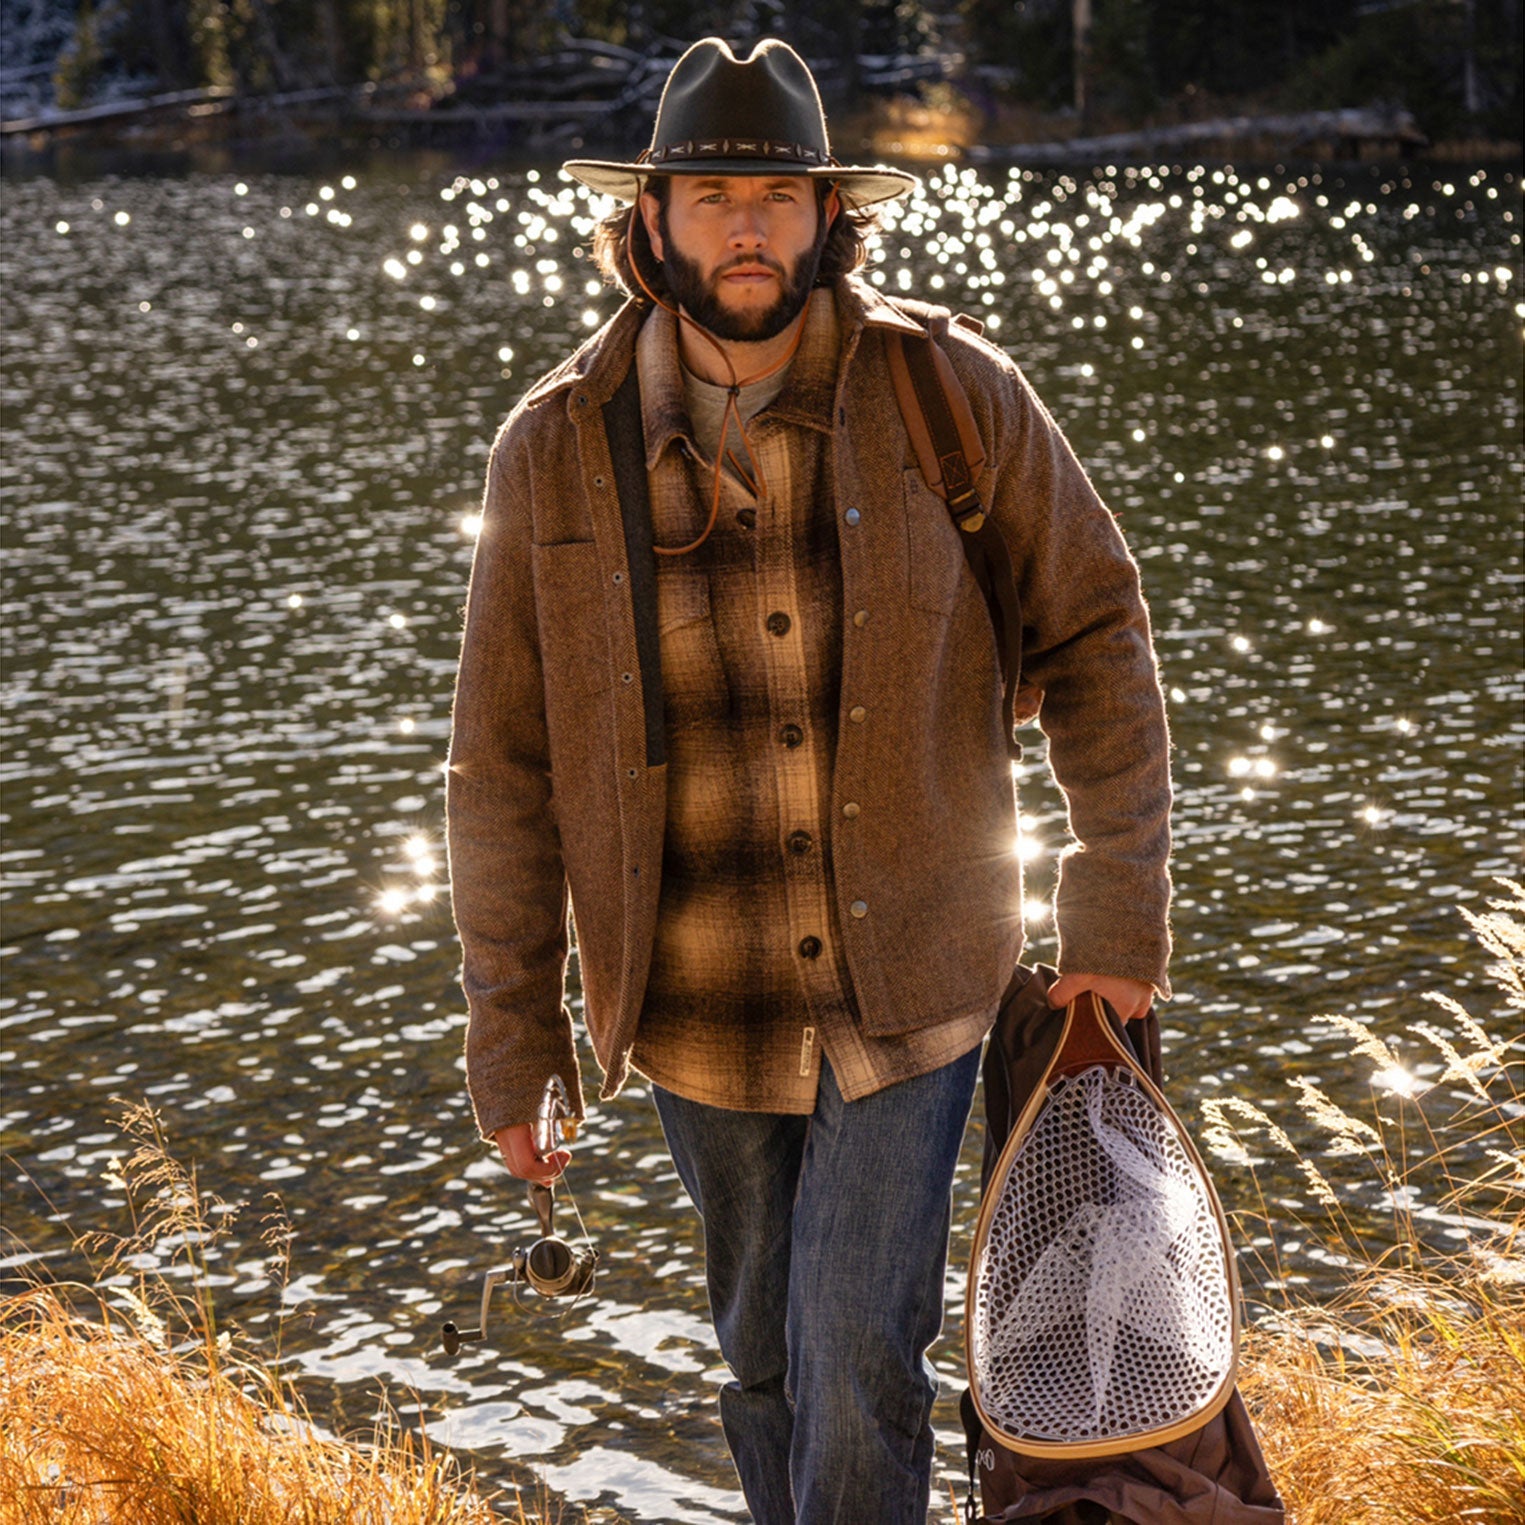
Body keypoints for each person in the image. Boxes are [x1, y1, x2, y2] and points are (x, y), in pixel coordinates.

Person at [446, 36, 1171, 1524]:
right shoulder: (552, 449)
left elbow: (1099, 625)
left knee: (856, 1351)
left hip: (914, 967)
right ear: (649, 223)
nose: (747, 227)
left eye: (777, 194)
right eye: (711, 196)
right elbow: (501, 764)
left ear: (831, 214)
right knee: (761, 1360)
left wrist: (1112, 907)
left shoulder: (950, 395)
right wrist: (513, 1032)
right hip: (690, 995)